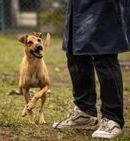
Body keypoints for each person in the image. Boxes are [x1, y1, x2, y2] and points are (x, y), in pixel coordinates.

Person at [53, 0, 130, 139]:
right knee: (75, 53)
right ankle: (85, 111)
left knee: (104, 54)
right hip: (78, 6)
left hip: (105, 5)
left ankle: (112, 119)